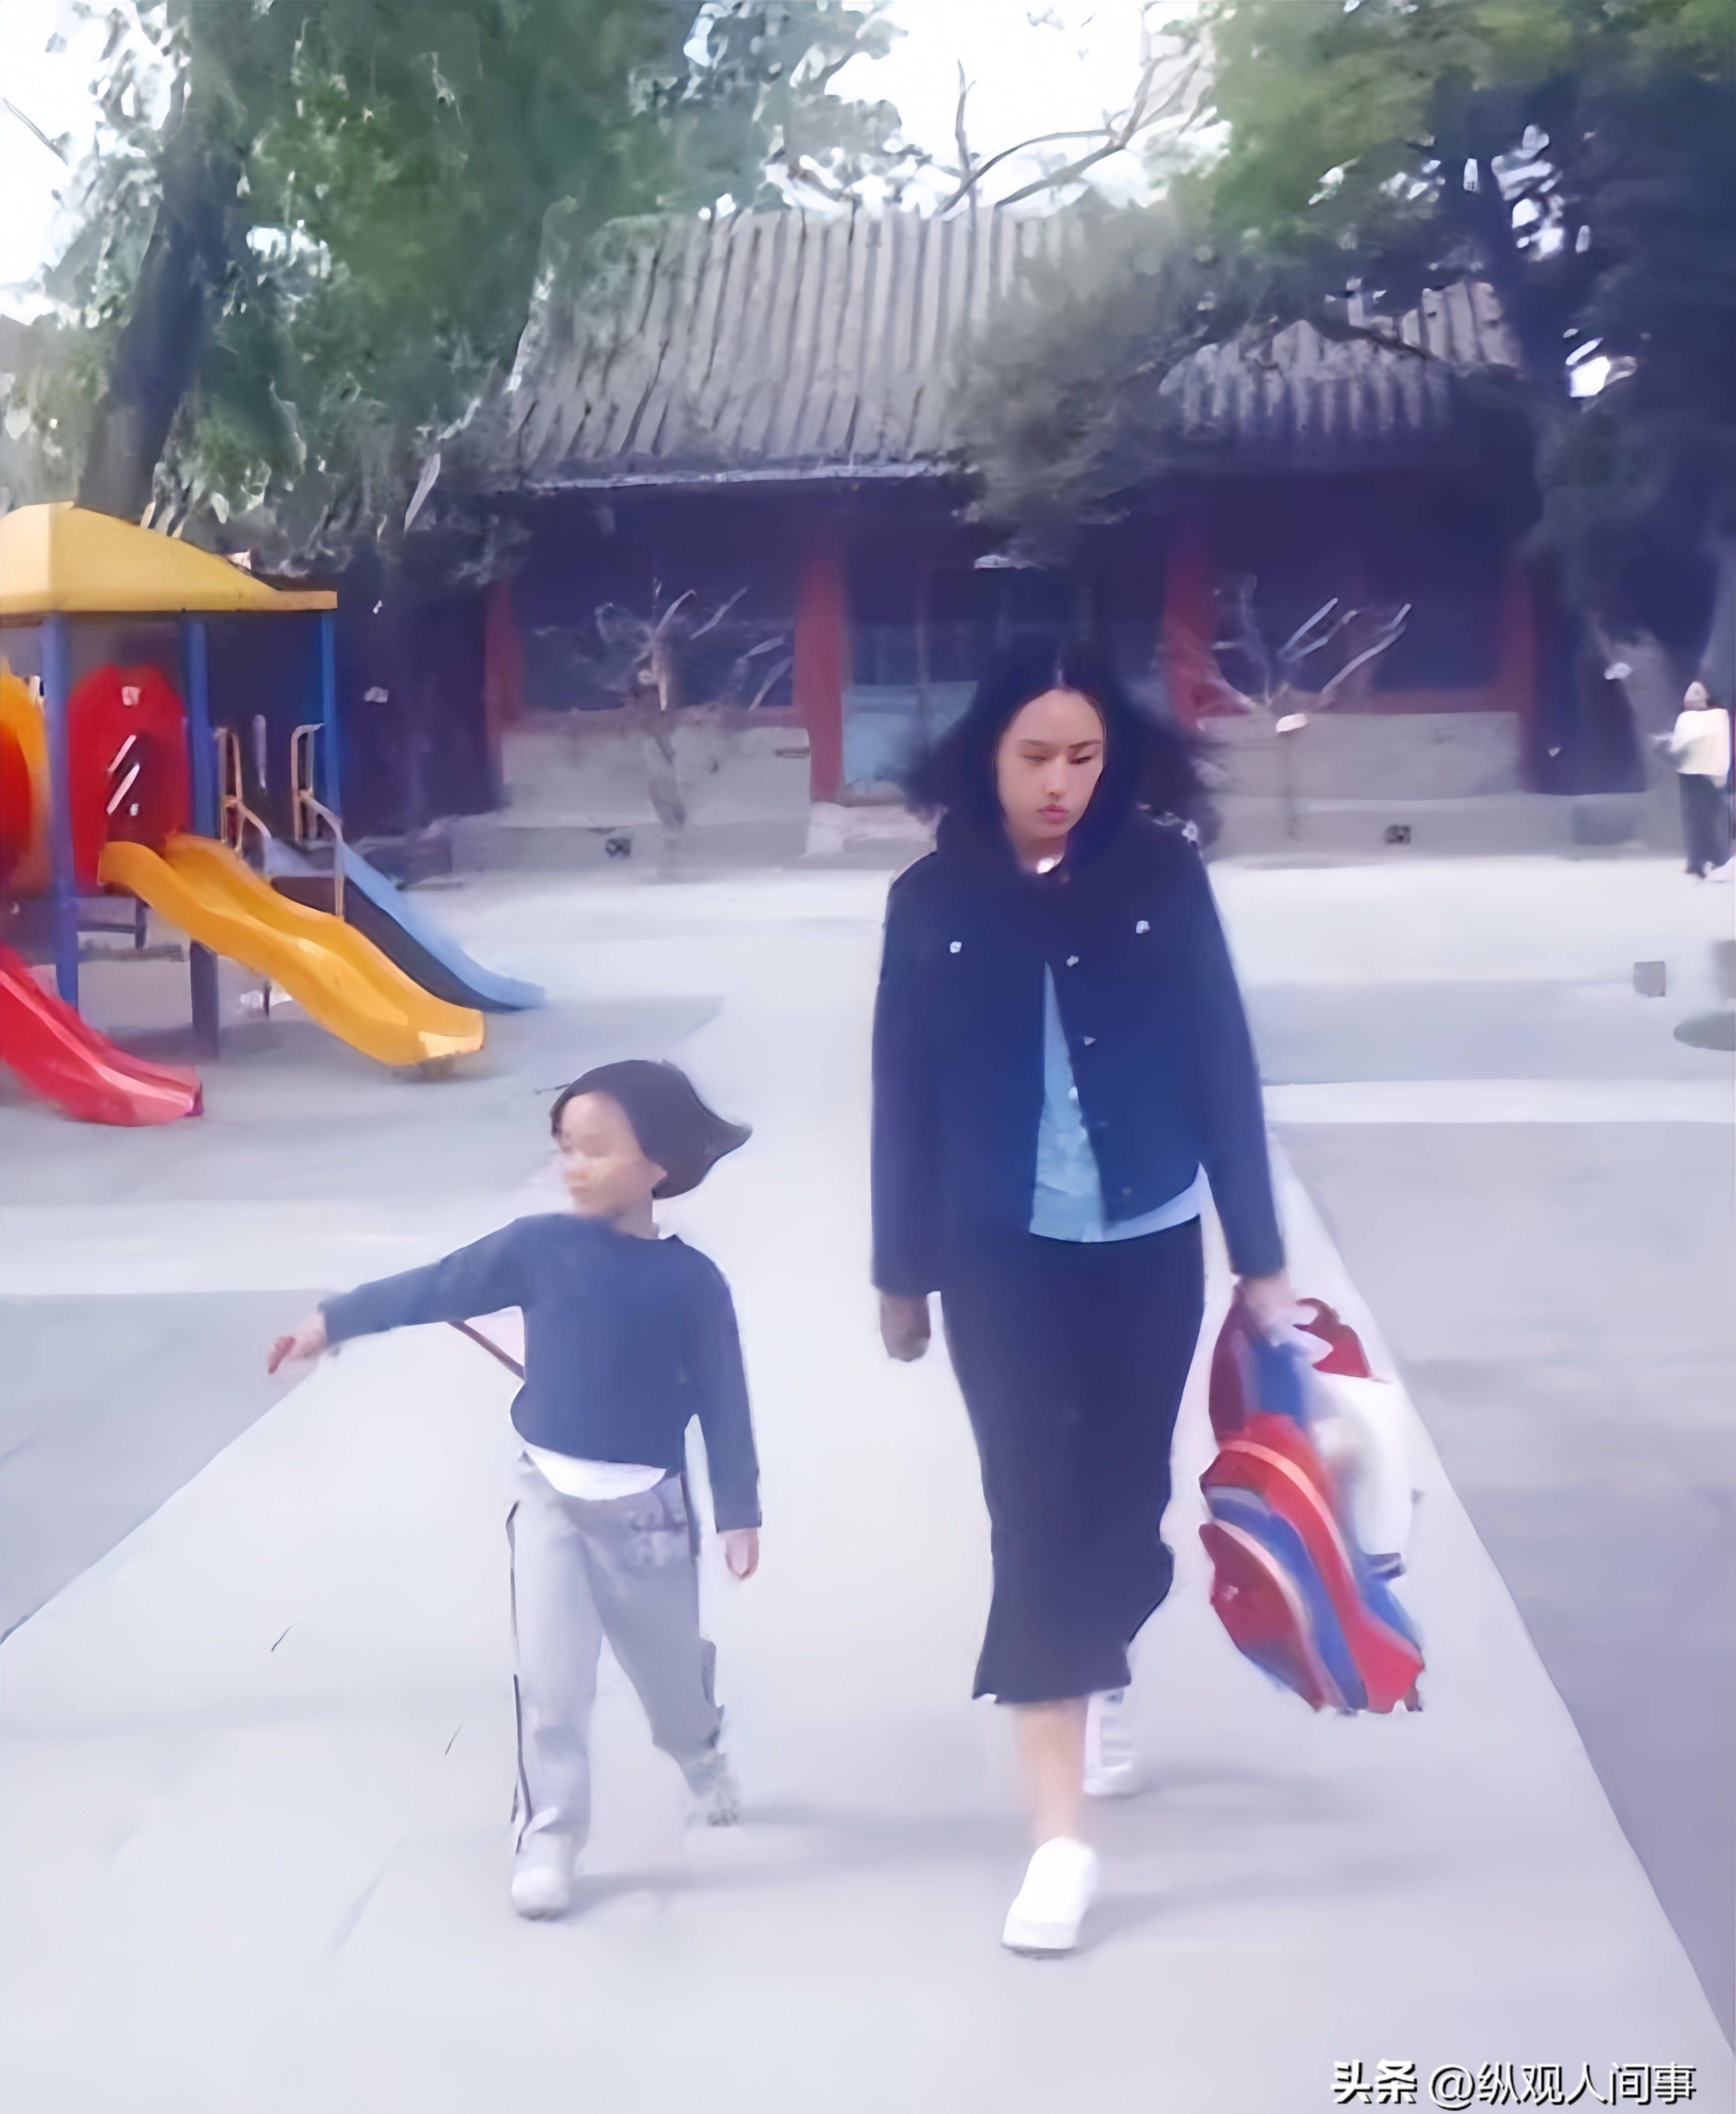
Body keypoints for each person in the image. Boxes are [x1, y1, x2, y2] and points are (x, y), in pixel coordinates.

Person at [871, 639, 1292, 1956]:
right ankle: (1059, 1843)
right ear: (987, 755)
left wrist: (1260, 1253)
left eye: (1085, 757)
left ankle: (1098, 1649)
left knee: (1126, 1504)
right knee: (1032, 1508)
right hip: (996, 1247)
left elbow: (1221, 1054)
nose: (1060, 782)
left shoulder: (1162, 873)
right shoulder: (929, 897)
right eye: (1036, 756)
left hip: (1147, 1235)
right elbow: (902, 1088)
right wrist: (900, 1270)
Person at [267, 1059, 761, 1921]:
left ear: (660, 1161)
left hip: (648, 1516)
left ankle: (699, 1743)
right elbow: (437, 1285)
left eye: (596, 1148)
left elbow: (725, 1397)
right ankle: (550, 1834)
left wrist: (739, 1509)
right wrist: (334, 1319)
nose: (573, 1165)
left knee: (670, 1682)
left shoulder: (692, 1282)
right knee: (550, 1685)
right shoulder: (536, 1248)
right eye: (566, 1146)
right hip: (549, 1501)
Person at [1658, 679, 1732, 879]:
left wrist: (1720, 773)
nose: (1692, 698)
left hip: (1711, 772)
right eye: (1691, 693)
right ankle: (1696, 861)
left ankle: (1718, 858)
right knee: (1693, 817)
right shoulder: (1684, 718)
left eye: (1698, 693)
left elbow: (1720, 747)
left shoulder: (1718, 716)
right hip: (1691, 772)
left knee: (1713, 817)